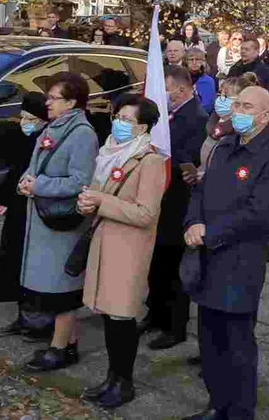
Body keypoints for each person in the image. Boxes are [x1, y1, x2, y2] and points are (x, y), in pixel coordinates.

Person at [182, 85, 269, 420]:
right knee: (209, 341)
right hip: (207, 257)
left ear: (264, 116)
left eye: (246, 106)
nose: (238, 110)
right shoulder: (225, 145)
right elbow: (201, 191)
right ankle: (218, 404)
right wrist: (193, 222)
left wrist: (211, 232)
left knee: (237, 345)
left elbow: (259, 214)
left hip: (238, 263)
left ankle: (240, 412)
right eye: (237, 104)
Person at [77, 94, 166, 409]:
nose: (119, 123)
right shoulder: (109, 152)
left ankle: (124, 383)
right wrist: (89, 200)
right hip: (105, 242)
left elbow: (145, 214)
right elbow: (103, 195)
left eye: (127, 119)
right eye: (118, 116)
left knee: (122, 316)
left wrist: (102, 202)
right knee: (109, 318)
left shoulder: (150, 160)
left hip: (129, 249)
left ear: (143, 127)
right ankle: (111, 377)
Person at [19, 72, 99, 371]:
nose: (47, 103)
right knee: (53, 287)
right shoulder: (53, 127)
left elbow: (81, 181)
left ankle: (59, 348)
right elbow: (35, 166)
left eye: (53, 98)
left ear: (72, 102)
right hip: (43, 219)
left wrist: (38, 185)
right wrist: (24, 182)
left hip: (61, 223)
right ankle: (68, 343)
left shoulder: (82, 134)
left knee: (62, 289)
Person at [142, 66, 208, 352]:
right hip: (160, 197)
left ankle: (175, 326)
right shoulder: (172, 113)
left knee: (173, 266)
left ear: (180, 91)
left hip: (179, 201)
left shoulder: (197, 118)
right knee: (156, 262)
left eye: (166, 90)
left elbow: (190, 159)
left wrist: (161, 153)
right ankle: (154, 314)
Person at [0, 94, 54, 341]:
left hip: (36, 207)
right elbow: (13, 171)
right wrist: (4, 198)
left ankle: (39, 322)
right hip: (18, 206)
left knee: (33, 263)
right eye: (23, 117)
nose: (24, 122)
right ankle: (23, 316)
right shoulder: (23, 138)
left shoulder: (48, 141)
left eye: (31, 118)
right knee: (15, 259)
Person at [185, 47, 217, 116]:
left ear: (203, 62)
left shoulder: (208, 81)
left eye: (197, 60)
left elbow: (207, 106)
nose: (194, 62)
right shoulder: (182, 79)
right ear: (186, 62)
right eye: (191, 60)